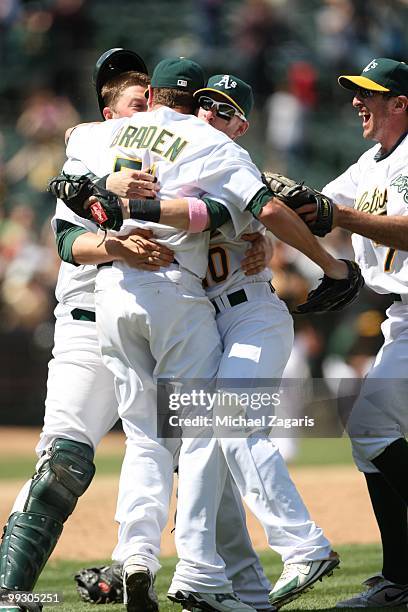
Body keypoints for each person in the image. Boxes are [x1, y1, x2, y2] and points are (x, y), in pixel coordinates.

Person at [63, 60, 351, 611]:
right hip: (198, 315)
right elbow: (102, 146)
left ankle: (293, 548)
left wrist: (291, 249)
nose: (213, 114)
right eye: (207, 104)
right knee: (205, 453)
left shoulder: (233, 164)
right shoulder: (187, 155)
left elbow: (234, 210)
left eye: (228, 111)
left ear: (242, 125)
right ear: (190, 104)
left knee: (220, 427)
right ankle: (241, 588)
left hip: (248, 315)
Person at [0, 50, 173, 612]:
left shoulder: (180, 152)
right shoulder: (88, 148)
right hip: (89, 319)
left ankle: (146, 572)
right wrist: (115, 233)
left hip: (164, 319)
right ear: (106, 107)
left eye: (151, 90)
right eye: (131, 93)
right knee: (62, 466)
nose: (144, 98)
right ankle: (9, 591)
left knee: (176, 451)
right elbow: (67, 242)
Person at [301, 57, 408, 608]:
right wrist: (265, 199)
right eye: (353, 92)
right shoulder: (371, 162)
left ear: (401, 103)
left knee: (369, 429)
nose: (355, 101)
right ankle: (399, 581)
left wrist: (339, 218)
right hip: (401, 315)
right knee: (372, 442)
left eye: (370, 93)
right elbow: (318, 203)